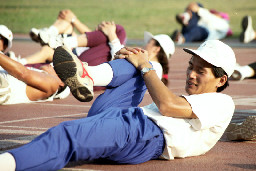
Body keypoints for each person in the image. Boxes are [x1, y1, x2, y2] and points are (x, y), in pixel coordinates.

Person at [0, 39, 236, 171]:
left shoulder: (222, 102)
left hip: (144, 133)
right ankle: (87, 74)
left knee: (67, 136)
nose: (191, 74)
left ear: (221, 80)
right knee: (137, 60)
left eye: (200, 71)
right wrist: (130, 59)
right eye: (190, 66)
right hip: (128, 118)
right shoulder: (198, 100)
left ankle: (6, 164)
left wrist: (146, 66)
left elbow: (166, 105)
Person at [20, 9, 126, 66]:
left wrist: (74, 19)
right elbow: (90, 37)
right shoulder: (101, 41)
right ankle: (49, 34)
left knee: (47, 50)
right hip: (72, 49)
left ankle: (19, 62)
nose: (103, 24)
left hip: (74, 56)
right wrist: (72, 19)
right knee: (67, 24)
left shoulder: (112, 44)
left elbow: (92, 36)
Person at [0, 25, 69, 105]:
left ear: (61, 83)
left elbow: (23, 73)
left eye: (56, 69)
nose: (51, 66)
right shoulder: (46, 83)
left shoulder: (53, 84)